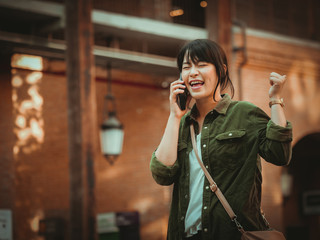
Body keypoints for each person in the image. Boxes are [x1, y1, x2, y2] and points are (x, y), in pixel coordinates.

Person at [150, 39, 292, 240]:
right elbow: (162, 174)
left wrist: (275, 99)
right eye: (186, 67)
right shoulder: (181, 125)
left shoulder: (244, 113)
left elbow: (280, 154)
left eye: (201, 65)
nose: (193, 72)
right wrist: (174, 116)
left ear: (221, 70)